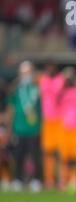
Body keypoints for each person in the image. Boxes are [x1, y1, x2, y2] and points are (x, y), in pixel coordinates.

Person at [6, 61, 43, 192]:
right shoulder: (16, 90)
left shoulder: (37, 89)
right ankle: (17, 180)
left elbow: (41, 110)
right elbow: (11, 109)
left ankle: (36, 180)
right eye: (24, 73)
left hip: (34, 128)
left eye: (28, 72)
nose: (26, 75)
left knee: (35, 156)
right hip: (19, 128)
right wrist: (10, 128)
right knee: (18, 156)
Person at [58, 67, 76, 193]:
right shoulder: (62, 92)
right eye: (66, 78)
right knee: (65, 157)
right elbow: (56, 101)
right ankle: (64, 181)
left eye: (70, 78)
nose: (68, 80)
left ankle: (75, 180)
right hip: (65, 127)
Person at [39, 61, 64, 190]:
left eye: (52, 66)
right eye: (48, 67)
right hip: (47, 120)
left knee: (59, 153)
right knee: (47, 152)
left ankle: (61, 180)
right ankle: (49, 180)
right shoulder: (43, 79)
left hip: (59, 120)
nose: (50, 69)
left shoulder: (61, 80)